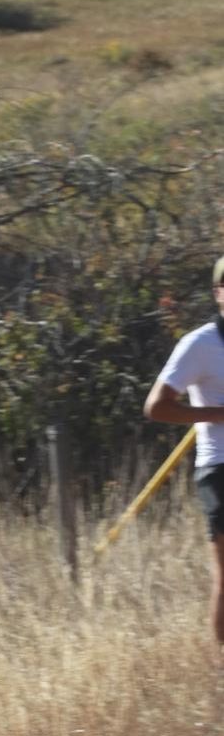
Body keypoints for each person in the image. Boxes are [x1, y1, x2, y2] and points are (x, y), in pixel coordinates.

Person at [143, 255, 224, 646]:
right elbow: (157, 406)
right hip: (220, 468)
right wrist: (218, 414)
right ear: (218, 294)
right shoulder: (199, 344)